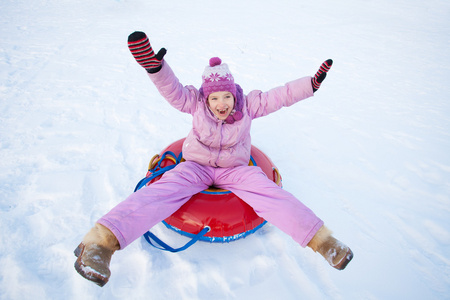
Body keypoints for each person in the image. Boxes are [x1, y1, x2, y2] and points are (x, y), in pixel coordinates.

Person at [74, 31, 353, 287]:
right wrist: (156, 68)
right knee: (162, 191)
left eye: (227, 97)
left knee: (269, 192)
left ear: (235, 94)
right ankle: (100, 244)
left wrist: (311, 84)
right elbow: (172, 89)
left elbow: (280, 96)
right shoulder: (194, 102)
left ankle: (324, 242)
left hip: (235, 170)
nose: (222, 104)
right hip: (195, 166)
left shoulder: (248, 105)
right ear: (206, 99)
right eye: (215, 98)